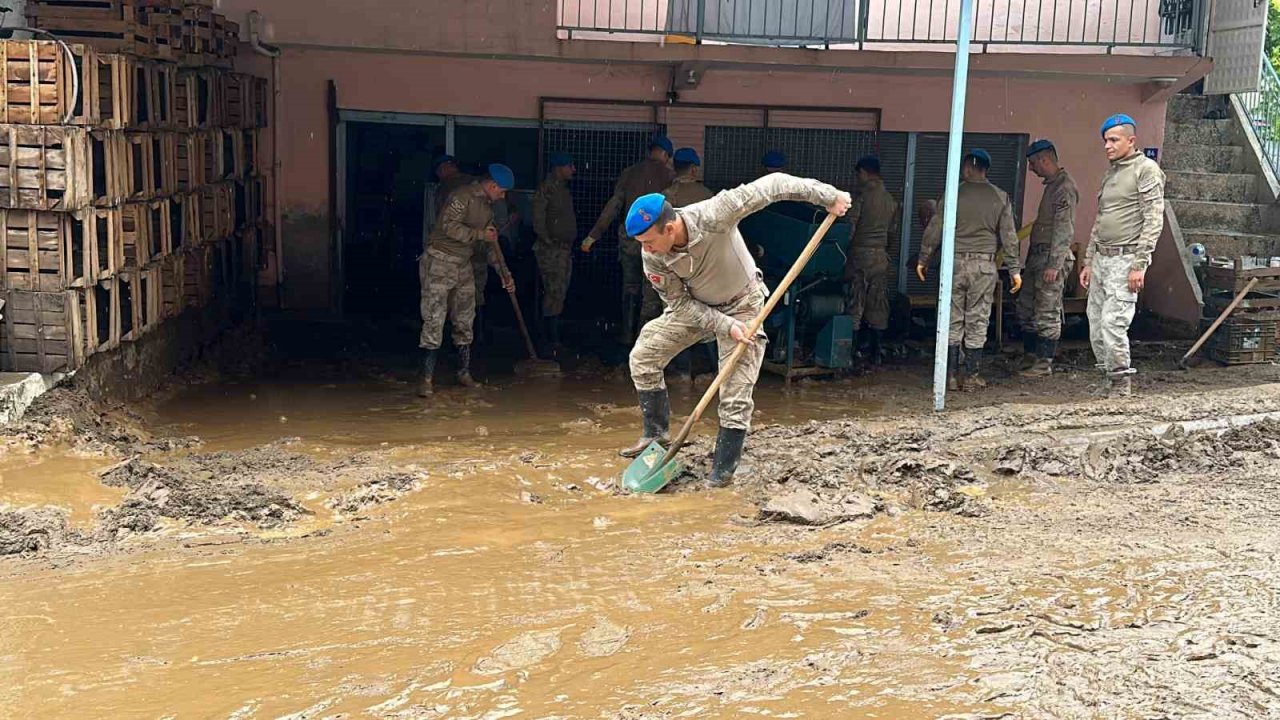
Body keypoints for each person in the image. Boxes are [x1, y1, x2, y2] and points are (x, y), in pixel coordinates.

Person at [620, 174, 852, 487]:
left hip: (743, 306)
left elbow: (773, 185)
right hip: (698, 308)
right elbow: (679, 303)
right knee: (644, 356)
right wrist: (724, 325)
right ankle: (656, 435)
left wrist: (827, 196)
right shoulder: (653, 256)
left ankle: (722, 472)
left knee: (735, 394)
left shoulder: (715, 213)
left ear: (670, 228)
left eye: (649, 241)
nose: (646, 249)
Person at [917, 149, 1023, 392]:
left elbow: (935, 228)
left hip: (954, 264)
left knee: (952, 318)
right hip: (984, 266)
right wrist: (1015, 269)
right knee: (978, 319)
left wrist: (924, 258)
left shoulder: (953, 193)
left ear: (966, 168)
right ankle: (972, 376)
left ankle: (951, 376)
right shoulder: (1000, 197)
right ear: (986, 169)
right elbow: (1009, 236)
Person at [1081, 114, 1165, 398]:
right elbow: (1100, 220)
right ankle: (1106, 377)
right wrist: (1089, 261)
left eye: (1114, 140)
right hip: (1102, 259)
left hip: (1125, 258)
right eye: (1105, 140)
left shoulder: (1146, 170)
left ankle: (1120, 384)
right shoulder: (1111, 173)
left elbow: (1153, 219)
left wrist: (1139, 265)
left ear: (1131, 140)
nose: (1107, 145)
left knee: (1113, 323)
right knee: (1095, 322)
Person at [417, 164, 517, 397]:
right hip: (440, 261)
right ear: (493, 185)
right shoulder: (462, 196)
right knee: (434, 318)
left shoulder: (487, 208)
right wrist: (480, 234)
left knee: (464, 319)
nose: (503, 197)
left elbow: (490, 245)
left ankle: (463, 372)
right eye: (502, 191)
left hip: (463, 264)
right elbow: (448, 226)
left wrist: (504, 273)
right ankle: (426, 379)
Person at [581, 136, 676, 344]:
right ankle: (644, 338)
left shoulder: (629, 173)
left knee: (630, 285)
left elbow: (614, 205)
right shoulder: (669, 176)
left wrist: (593, 235)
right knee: (651, 289)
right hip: (655, 241)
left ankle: (626, 332)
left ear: (650, 151)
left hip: (630, 237)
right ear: (666, 155)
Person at [1017, 139, 1080, 378]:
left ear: (1044, 160)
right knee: (1027, 307)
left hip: (1050, 258)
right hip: (1038, 256)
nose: (1031, 169)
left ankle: (1044, 363)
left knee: (1046, 310)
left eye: (1033, 163)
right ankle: (1031, 355)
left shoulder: (1064, 187)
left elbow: (1064, 228)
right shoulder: (1053, 186)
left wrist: (1055, 264)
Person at [662, 147, 717, 380]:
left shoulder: (665, 197)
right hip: (704, 266)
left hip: (675, 266)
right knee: (709, 317)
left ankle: (683, 371)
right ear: (694, 169)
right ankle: (715, 369)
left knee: (677, 315)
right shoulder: (707, 195)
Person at [841, 155, 900, 365]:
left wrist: (843, 251)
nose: (858, 179)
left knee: (855, 303)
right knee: (878, 304)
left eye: (858, 175)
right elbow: (892, 233)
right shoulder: (891, 200)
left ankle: (850, 354)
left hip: (860, 256)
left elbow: (850, 227)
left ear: (864, 173)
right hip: (881, 257)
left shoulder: (862, 198)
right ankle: (876, 354)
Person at [531, 153, 577, 351]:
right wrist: (547, 240)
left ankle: (553, 336)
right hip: (552, 249)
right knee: (554, 291)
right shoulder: (547, 189)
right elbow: (538, 218)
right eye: (569, 166)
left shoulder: (562, 190)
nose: (573, 170)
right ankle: (550, 338)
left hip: (563, 249)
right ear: (559, 168)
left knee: (559, 290)